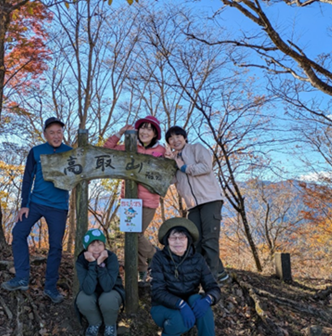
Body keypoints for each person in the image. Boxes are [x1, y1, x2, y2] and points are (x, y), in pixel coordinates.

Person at [1, 117, 72, 304]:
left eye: (59, 132)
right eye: (52, 132)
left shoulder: (70, 153)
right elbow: (27, 179)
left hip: (58, 206)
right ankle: (22, 277)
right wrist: (24, 204)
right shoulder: (36, 151)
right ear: (45, 134)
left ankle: (50, 287)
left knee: (55, 247)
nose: (56, 135)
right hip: (35, 203)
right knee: (18, 233)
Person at [104, 116, 165, 282]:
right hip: (129, 199)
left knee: (136, 233)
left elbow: (167, 172)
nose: (145, 131)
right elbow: (107, 149)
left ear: (155, 134)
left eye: (149, 129)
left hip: (149, 200)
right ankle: (142, 272)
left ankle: (156, 257)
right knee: (132, 235)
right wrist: (120, 132)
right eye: (142, 128)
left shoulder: (161, 151)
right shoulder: (130, 147)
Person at [164, 126, 228, 283]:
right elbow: (171, 180)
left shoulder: (196, 148)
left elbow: (206, 167)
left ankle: (211, 280)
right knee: (195, 240)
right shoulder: (173, 159)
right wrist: (167, 162)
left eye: (178, 136)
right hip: (192, 205)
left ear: (185, 138)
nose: (175, 140)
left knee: (210, 239)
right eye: (171, 138)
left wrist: (184, 167)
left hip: (210, 200)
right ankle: (218, 273)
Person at [151, 217, 221, 336]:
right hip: (163, 306)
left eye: (182, 237)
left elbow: (213, 287)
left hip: (189, 302)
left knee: (200, 302)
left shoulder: (198, 259)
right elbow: (157, 291)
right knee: (179, 321)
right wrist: (180, 304)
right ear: (167, 240)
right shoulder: (159, 258)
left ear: (188, 239)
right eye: (173, 238)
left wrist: (209, 299)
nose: (178, 241)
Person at [75, 228, 124, 336]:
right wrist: (92, 264)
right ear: (86, 247)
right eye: (92, 245)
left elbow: (107, 287)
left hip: (112, 291)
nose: (97, 248)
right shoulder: (81, 260)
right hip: (92, 291)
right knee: (83, 299)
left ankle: (110, 325)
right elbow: (88, 289)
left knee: (108, 298)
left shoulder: (111, 258)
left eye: (100, 244)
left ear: (104, 246)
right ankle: (95, 323)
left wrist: (101, 265)